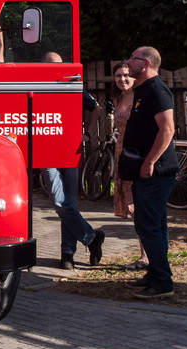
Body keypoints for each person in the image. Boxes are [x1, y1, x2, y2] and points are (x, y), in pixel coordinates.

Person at [40, 51, 105, 270]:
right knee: (59, 201)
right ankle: (92, 238)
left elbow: (95, 107)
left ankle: (67, 253)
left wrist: (86, 132)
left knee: (69, 200)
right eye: (48, 66)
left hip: (70, 149)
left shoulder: (71, 85)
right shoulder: (37, 85)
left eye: (56, 65)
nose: (52, 69)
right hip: (46, 150)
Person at [123, 46, 179, 299]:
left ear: (145, 63)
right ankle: (156, 274)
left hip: (155, 173)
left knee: (148, 226)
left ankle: (162, 282)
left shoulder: (157, 90)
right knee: (154, 225)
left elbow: (167, 129)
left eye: (132, 59)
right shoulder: (143, 90)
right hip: (147, 171)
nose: (127, 62)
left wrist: (150, 162)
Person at [110, 61, 148, 269]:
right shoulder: (118, 98)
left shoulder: (140, 98)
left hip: (135, 156)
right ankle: (145, 254)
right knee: (133, 208)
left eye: (126, 75)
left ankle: (147, 255)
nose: (122, 79)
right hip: (122, 155)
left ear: (134, 77)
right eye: (118, 76)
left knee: (139, 207)